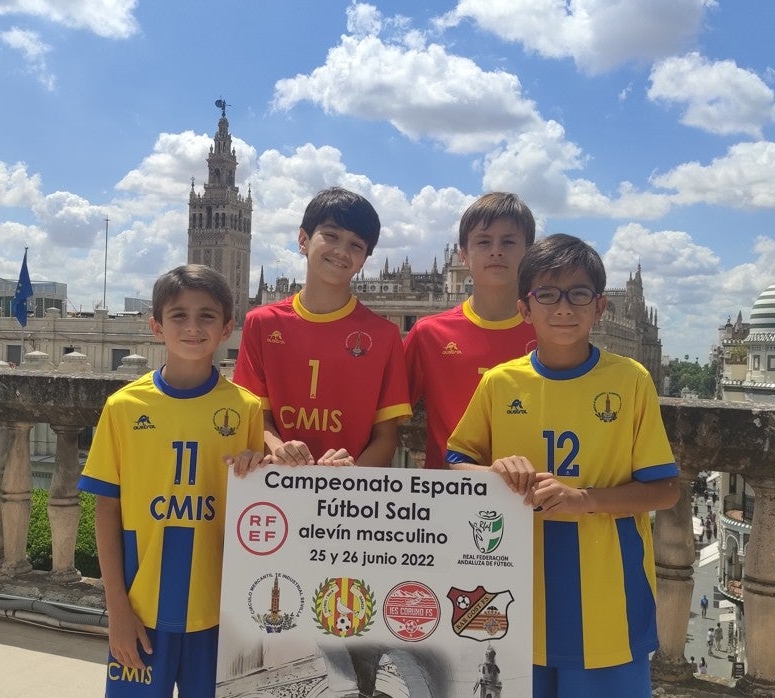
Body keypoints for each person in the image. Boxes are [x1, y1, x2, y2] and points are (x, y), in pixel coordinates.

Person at [446, 234, 680, 698]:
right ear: (524, 308)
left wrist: (584, 500)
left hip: (608, 599)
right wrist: (493, 474)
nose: (563, 308)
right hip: (512, 598)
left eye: (578, 295)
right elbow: (456, 465)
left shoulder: (631, 380)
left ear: (600, 308)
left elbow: (664, 489)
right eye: (547, 294)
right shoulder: (500, 382)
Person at [78, 265, 268, 697]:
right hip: (142, 614)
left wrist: (258, 466)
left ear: (226, 329)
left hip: (221, 614)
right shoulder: (124, 407)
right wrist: (117, 611)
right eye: (178, 315)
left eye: (207, 316)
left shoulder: (246, 409)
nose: (193, 327)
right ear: (156, 326)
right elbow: (106, 509)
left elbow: (256, 506)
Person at [234, 187, 411, 466]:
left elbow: (386, 437)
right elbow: (255, 416)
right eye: (331, 236)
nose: (341, 251)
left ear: (364, 259)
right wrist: (279, 448)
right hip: (276, 486)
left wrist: (347, 480)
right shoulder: (262, 323)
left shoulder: (384, 336)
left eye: (356, 245)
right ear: (303, 240)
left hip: (346, 500)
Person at [403, 192, 537, 468]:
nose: (496, 251)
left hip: (532, 497)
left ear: (529, 253)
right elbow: (383, 413)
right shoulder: (429, 333)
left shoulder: (548, 332)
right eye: (484, 241)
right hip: (448, 495)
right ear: (463, 255)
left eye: (509, 242)